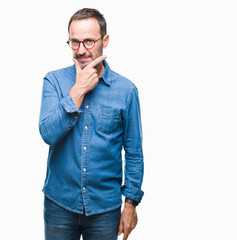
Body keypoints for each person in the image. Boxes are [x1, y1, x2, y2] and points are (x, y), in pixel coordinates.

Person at [39, 8, 144, 240]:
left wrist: (131, 203)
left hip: (104, 209)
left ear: (104, 41)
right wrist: (78, 90)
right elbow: (47, 133)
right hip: (59, 204)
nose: (81, 50)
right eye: (74, 42)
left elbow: (134, 152)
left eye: (88, 41)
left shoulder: (126, 90)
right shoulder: (54, 82)